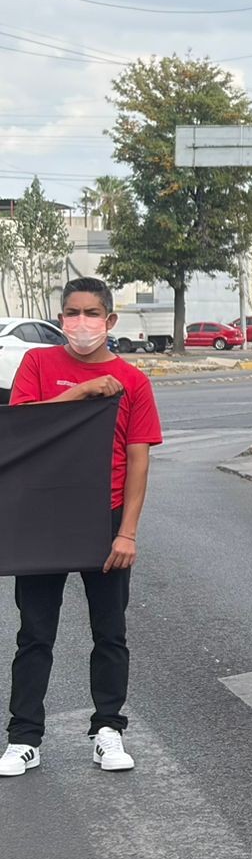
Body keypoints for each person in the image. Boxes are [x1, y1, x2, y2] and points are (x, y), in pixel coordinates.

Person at [1, 278, 161, 778]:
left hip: (105, 518)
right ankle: (24, 737)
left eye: (92, 313)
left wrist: (127, 532)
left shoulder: (133, 381)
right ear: (61, 317)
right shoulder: (38, 365)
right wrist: (86, 393)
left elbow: (138, 462)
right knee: (35, 634)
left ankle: (108, 729)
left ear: (110, 321)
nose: (80, 323)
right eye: (71, 313)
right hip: (43, 518)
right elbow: (18, 426)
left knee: (110, 632)